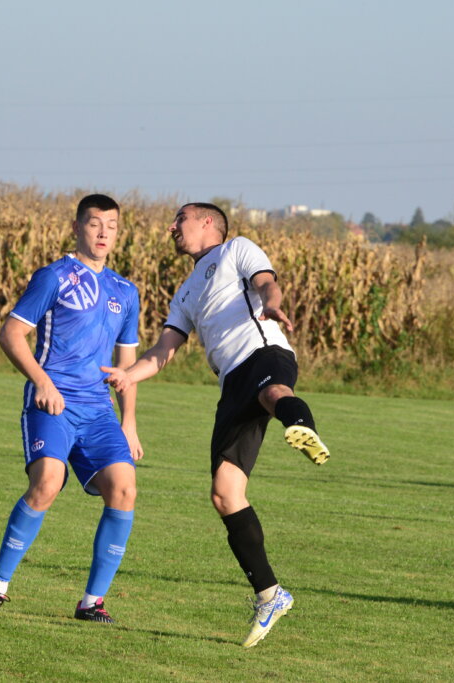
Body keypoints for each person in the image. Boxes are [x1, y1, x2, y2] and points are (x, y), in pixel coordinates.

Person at [101, 202, 329, 648]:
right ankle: (270, 594)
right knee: (225, 494)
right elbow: (165, 349)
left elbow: (266, 282)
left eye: (179, 220)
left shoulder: (237, 249)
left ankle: (302, 425)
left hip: (263, 353)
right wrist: (129, 374)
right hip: (231, 383)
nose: (172, 228)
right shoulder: (185, 292)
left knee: (271, 394)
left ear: (207, 222)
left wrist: (273, 306)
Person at [0, 194, 142, 624]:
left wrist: (130, 422)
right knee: (47, 481)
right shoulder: (54, 276)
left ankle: (91, 603)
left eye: (112, 226)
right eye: (95, 223)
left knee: (124, 489)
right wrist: (42, 382)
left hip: (98, 410)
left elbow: (126, 367)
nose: (103, 233)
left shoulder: (126, 291)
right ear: (77, 227)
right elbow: (11, 335)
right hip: (53, 401)